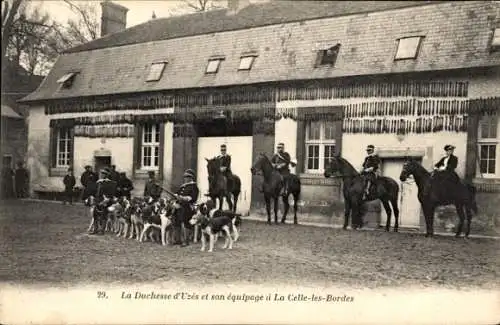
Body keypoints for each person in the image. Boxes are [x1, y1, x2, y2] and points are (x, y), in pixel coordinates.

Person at [172, 169, 199, 246]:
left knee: (186, 223)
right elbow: (177, 194)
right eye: (185, 177)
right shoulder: (183, 186)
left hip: (187, 208)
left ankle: (186, 241)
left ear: (191, 178)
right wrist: (176, 200)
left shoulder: (194, 187)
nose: (185, 178)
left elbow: (193, 198)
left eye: (187, 177)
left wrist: (183, 198)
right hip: (179, 207)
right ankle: (178, 240)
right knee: (177, 222)